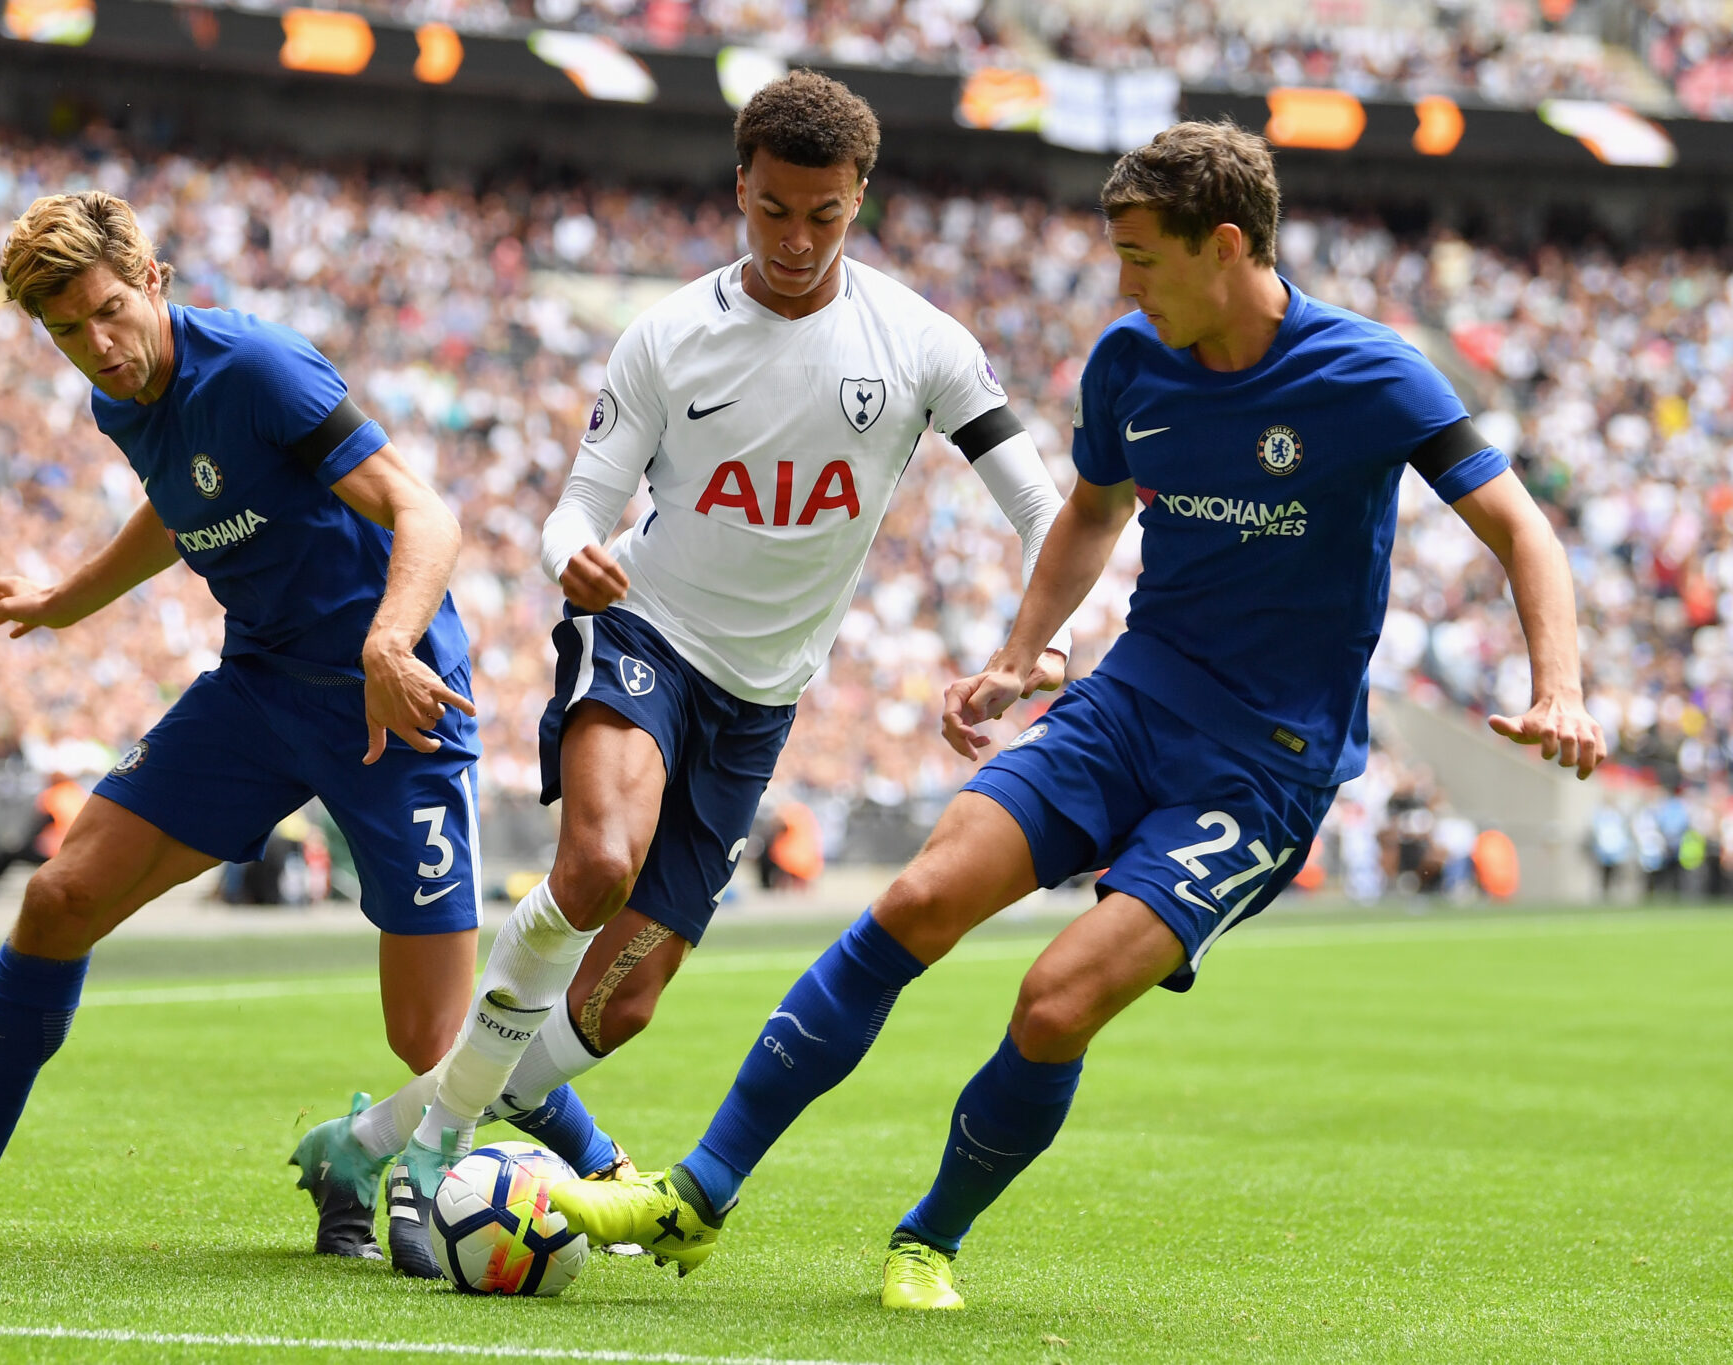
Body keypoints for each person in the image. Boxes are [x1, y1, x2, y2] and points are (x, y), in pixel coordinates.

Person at [544, 120, 1607, 1308]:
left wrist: (1555, 685)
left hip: (1261, 769)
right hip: (1128, 704)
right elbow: (1092, 515)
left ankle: (927, 1238)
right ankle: (698, 1190)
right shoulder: (1128, 361)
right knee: (915, 900)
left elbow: (1521, 529)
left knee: (1053, 1002)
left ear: (1223, 246)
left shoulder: (1371, 374)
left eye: (1140, 258)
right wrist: (1016, 656)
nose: (1120, 282)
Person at [291, 69, 1075, 1269]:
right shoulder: (667, 334)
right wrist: (576, 562)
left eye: (824, 214)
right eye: (773, 211)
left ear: (859, 197)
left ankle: (370, 1136)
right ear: (739, 190)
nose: (798, 241)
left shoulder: (921, 344)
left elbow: (1043, 506)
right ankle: (439, 1147)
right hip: (645, 632)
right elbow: (576, 508)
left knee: (622, 1004)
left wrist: (1044, 644)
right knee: (597, 863)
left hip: (763, 695)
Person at [0, 192, 621, 1265]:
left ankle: (599, 1171)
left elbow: (426, 512)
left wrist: (387, 647)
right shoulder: (122, 402)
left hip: (394, 704)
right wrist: (65, 599)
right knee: (58, 899)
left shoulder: (256, 368)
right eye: (65, 332)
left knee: (427, 1039)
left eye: (108, 312)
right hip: (257, 693)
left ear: (151, 278)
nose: (96, 347)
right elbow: (179, 499)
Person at [0, 771, 88, 897]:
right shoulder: (77, 793)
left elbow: (43, 822)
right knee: (11, 853)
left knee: (8, 853)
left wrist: (24, 844)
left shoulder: (52, 795)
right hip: (74, 850)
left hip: (52, 850)